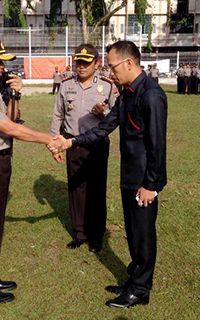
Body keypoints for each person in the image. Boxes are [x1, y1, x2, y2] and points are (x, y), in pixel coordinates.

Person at [51, 40, 167, 308]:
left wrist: (151, 184)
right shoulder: (127, 92)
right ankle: (134, 278)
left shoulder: (150, 95)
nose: (110, 72)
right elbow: (104, 128)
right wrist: (72, 141)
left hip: (143, 180)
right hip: (129, 174)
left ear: (129, 62)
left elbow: (158, 146)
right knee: (133, 230)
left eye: (113, 66)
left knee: (143, 233)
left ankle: (140, 289)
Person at [0, 39, 65, 305]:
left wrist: (15, 94)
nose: (3, 66)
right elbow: (11, 128)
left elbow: (12, 117)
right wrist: (49, 139)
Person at [50, 43, 118, 253]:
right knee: (76, 188)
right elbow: (58, 115)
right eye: (78, 62)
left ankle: (96, 236)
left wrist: (102, 114)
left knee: (96, 190)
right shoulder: (66, 84)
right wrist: (55, 143)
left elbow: (117, 116)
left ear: (96, 64)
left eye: (86, 63)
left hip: (96, 145)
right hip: (73, 143)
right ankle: (79, 233)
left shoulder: (107, 85)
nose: (81, 67)